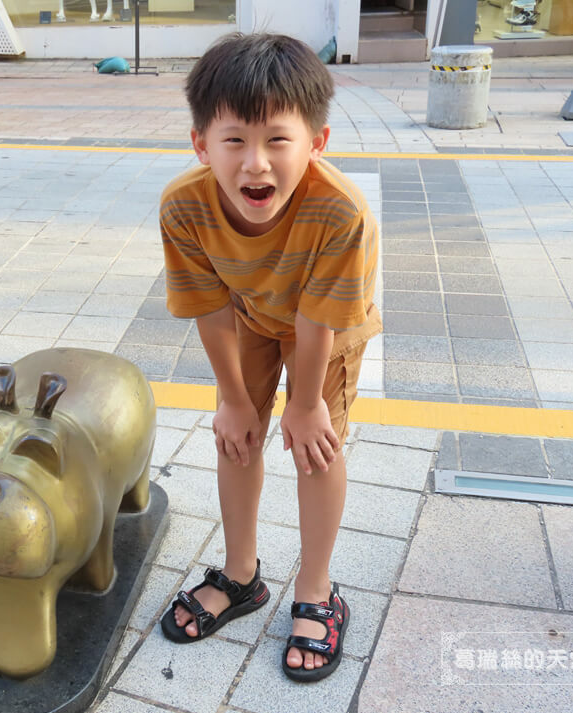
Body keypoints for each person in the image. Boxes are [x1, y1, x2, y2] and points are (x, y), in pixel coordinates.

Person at [157, 32, 381, 683]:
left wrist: (306, 405)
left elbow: (317, 319)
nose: (256, 164)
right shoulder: (184, 206)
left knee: (318, 445)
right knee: (236, 436)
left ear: (316, 142)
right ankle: (242, 573)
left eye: (277, 140)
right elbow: (209, 305)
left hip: (327, 328)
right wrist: (233, 398)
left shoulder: (341, 211)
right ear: (202, 143)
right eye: (234, 140)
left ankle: (316, 589)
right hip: (249, 314)